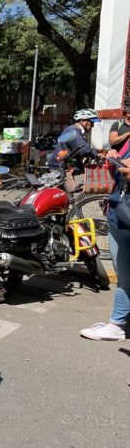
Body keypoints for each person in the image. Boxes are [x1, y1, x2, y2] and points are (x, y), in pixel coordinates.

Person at [80, 142, 130, 341]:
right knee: (125, 279)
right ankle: (116, 325)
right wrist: (113, 158)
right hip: (119, 216)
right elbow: (116, 173)